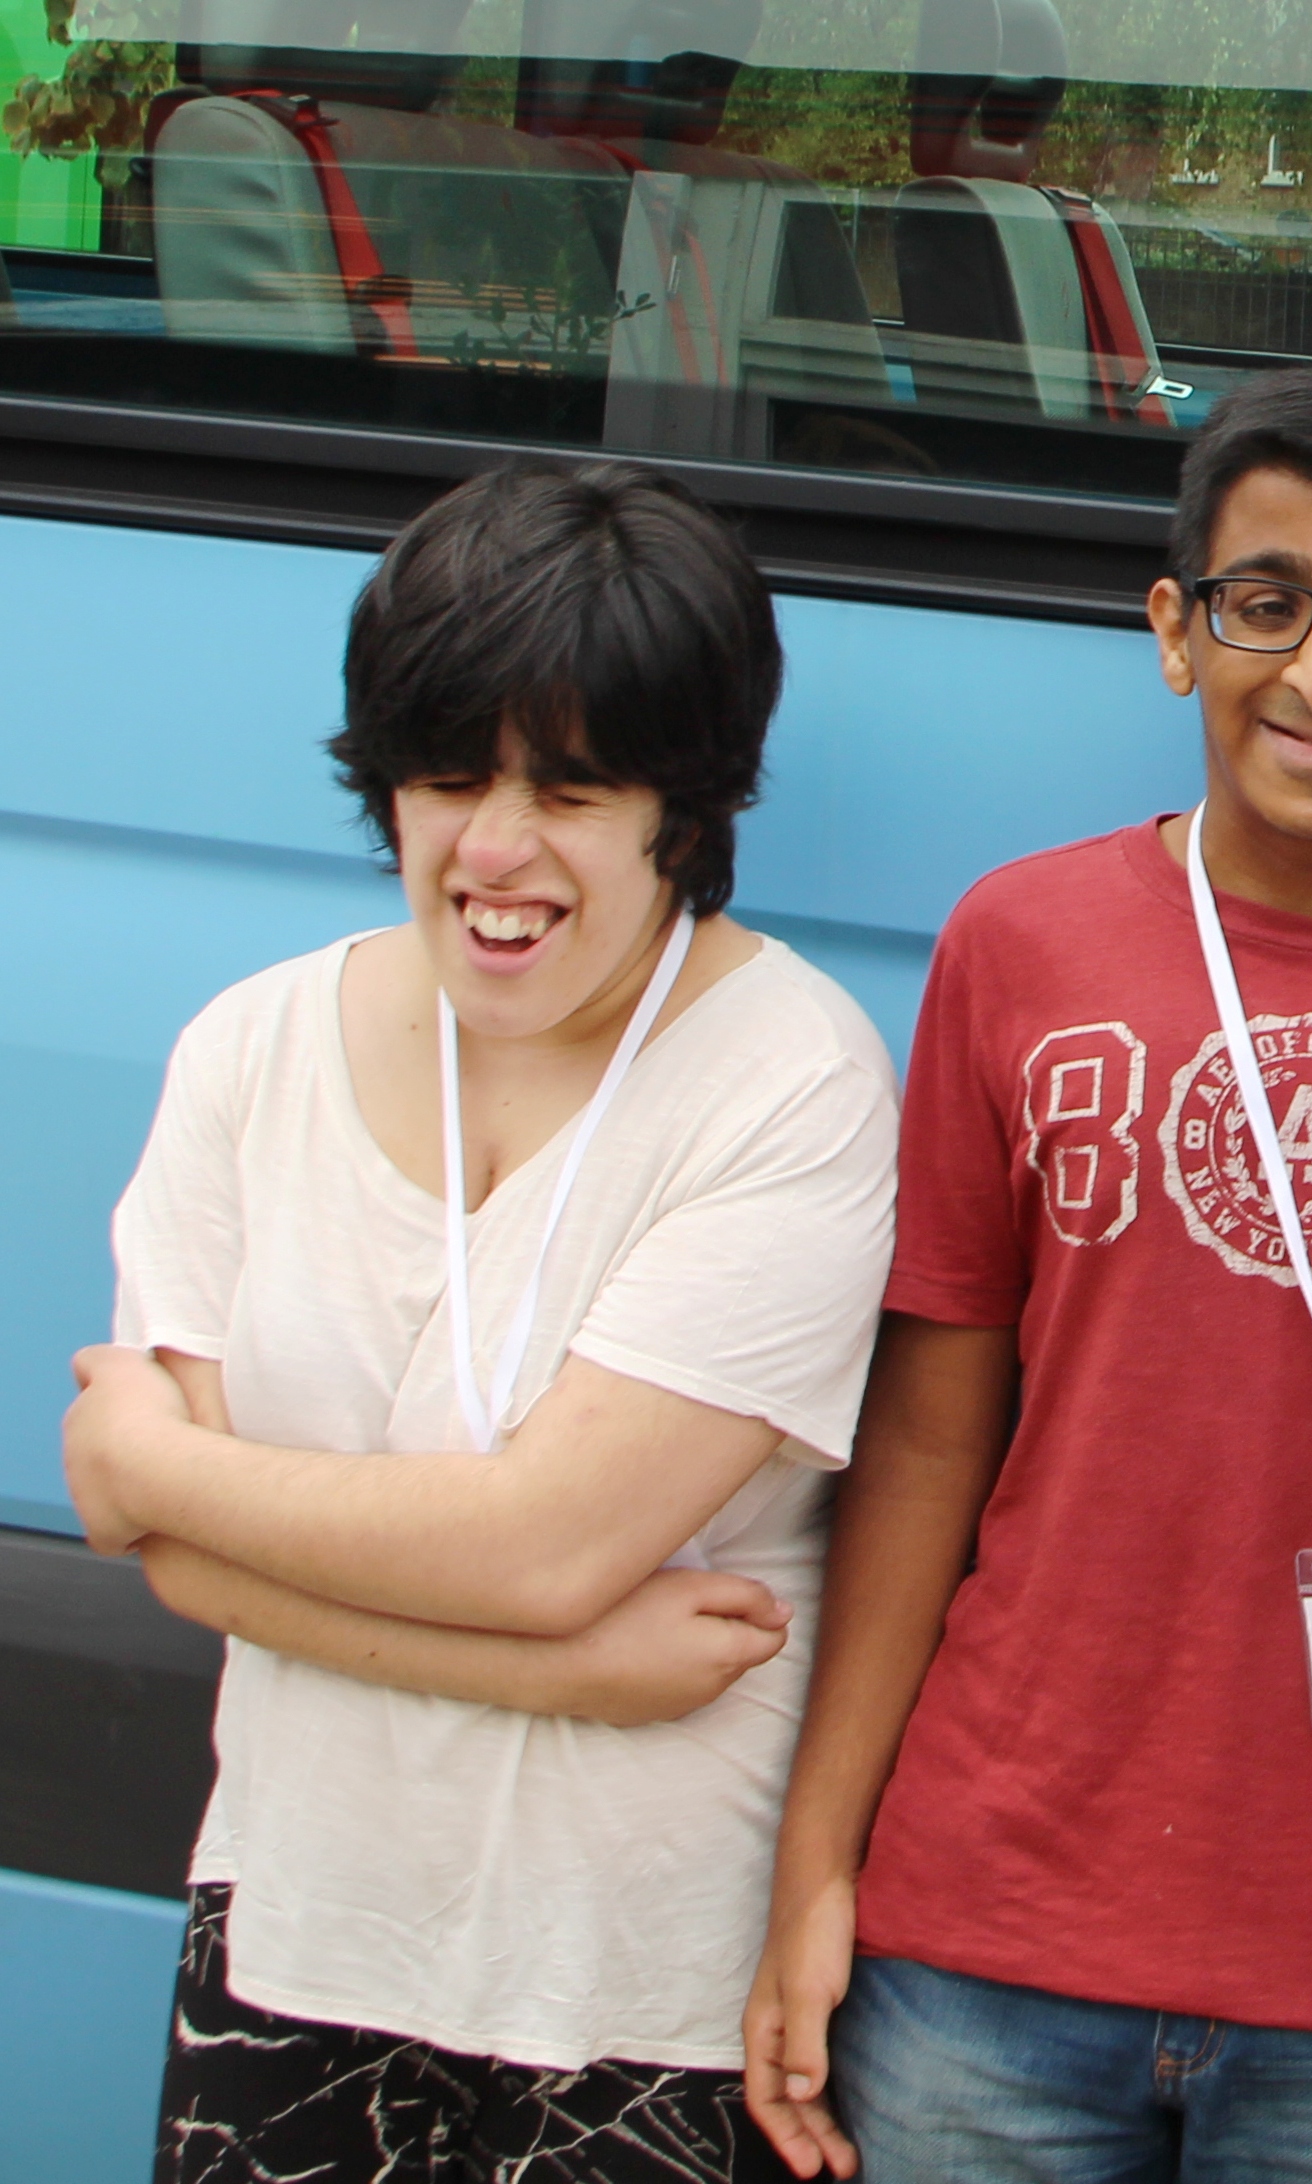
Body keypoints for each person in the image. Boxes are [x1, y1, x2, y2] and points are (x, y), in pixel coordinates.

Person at [739, 366, 1312, 2184]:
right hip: (985, 1945)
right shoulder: (1024, 941)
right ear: (1175, 630)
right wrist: (815, 1866)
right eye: (1267, 603)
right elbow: (928, 1440)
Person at [64, 461, 901, 2183]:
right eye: (448, 776)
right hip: (294, 1934)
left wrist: (160, 1466)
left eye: (573, 787)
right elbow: (174, 1559)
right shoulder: (253, 1046)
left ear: (687, 801)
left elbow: (536, 1540)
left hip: (637, 1995)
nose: (495, 849)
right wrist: (578, 1663)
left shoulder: (789, 1077)